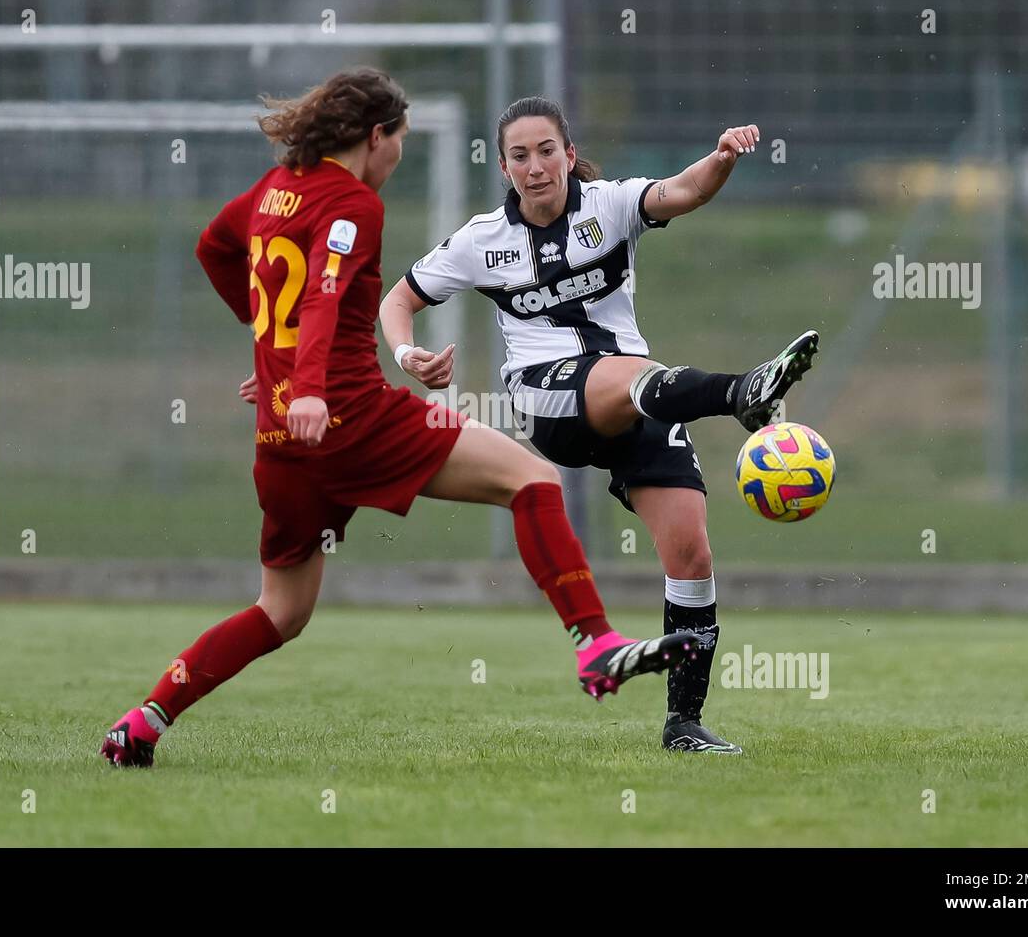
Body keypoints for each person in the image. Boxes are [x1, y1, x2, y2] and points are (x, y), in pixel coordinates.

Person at [99, 71, 701, 768]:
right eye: (400, 143)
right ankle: (596, 644)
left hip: (280, 440)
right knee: (533, 479)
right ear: (376, 136)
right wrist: (312, 386)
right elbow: (324, 294)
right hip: (351, 419)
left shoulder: (271, 191)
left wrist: (279, 360)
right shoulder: (354, 202)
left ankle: (143, 721)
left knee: (280, 612)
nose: (398, 158)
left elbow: (213, 245)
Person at [380, 96, 820, 754]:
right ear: (504, 166)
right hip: (548, 398)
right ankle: (741, 395)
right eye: (521, 156)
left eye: (546, 151)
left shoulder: (608, 205)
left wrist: (722, 159)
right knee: (628, 375)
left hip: (641, 399)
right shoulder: (481, 241)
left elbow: (682, 190)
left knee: (691, 553)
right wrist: (406, 352)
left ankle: (684, 725)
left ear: (567, 153)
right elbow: (400, 298)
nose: (536, 167)